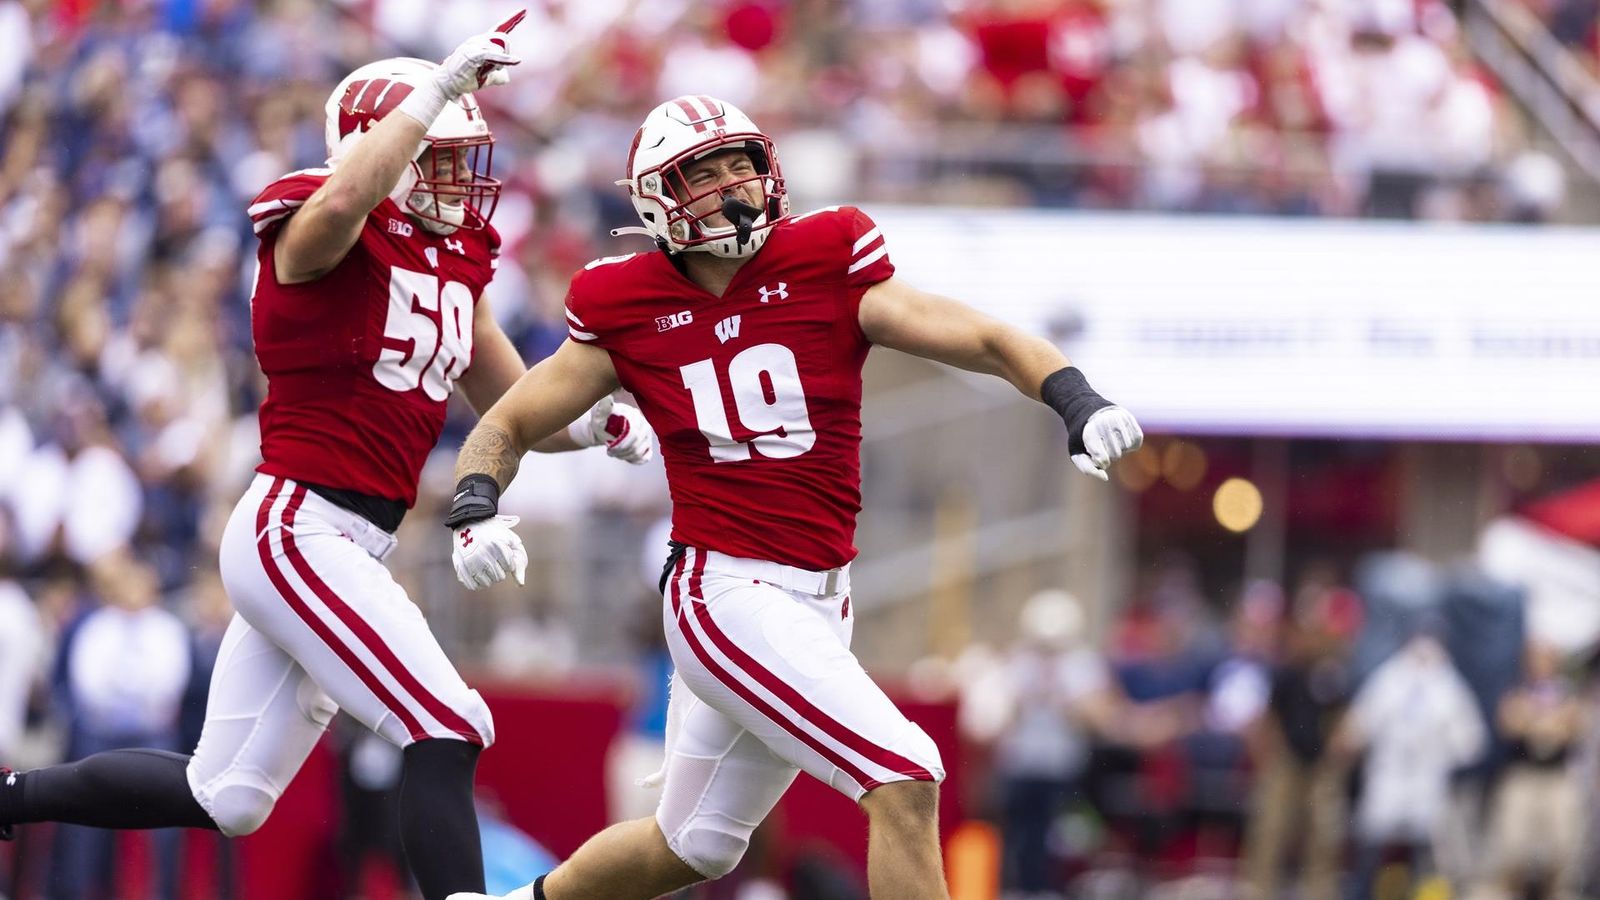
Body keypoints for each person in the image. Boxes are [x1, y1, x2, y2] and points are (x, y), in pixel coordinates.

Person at [0, 16, 655, 900]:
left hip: (352, 539)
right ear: (387, 144)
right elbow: (342, 207)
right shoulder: (319, 220)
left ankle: (8, 799)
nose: (464, 178)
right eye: (443, 152)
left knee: (225, 793)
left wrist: (596, 426)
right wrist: (428, 96)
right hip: (299, 525)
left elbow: (504, 393)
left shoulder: (454, 254)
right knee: (448, 722)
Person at [440, 96, 1144, 900]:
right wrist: (473, 500)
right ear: (656, 201)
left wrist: (1074, 397)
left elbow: (980, 335)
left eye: (743, 162)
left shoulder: (826, 256)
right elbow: (512, 417)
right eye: (706, 173)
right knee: (906, 775)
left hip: (818, 596)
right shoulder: (622, 302)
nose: (735, 183)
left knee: (693, 845)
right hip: (725, 589)